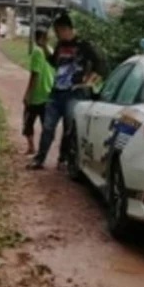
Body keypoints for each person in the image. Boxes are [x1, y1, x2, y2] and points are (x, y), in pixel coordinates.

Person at [27, 12, 100, 170]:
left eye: (58, 31)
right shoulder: (60, 45)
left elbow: (100, 66)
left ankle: (63, 159)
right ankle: (40, 159)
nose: (58, 35)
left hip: (74, 94)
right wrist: (44, 46)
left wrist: (87, 82)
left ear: (67, 29)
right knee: (47, 127)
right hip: (56, 93)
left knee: (69, 128)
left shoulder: (84, 46)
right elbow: (54, 63)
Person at [22, 25, 55, 155]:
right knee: (46, 125)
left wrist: (28, 94)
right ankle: (43, 151)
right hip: (49, 93)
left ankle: (31, 147)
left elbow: (34, 74)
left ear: (38, 38)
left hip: (37, 95)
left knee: (28, 122)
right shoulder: (51, 51)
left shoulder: (37, 51)